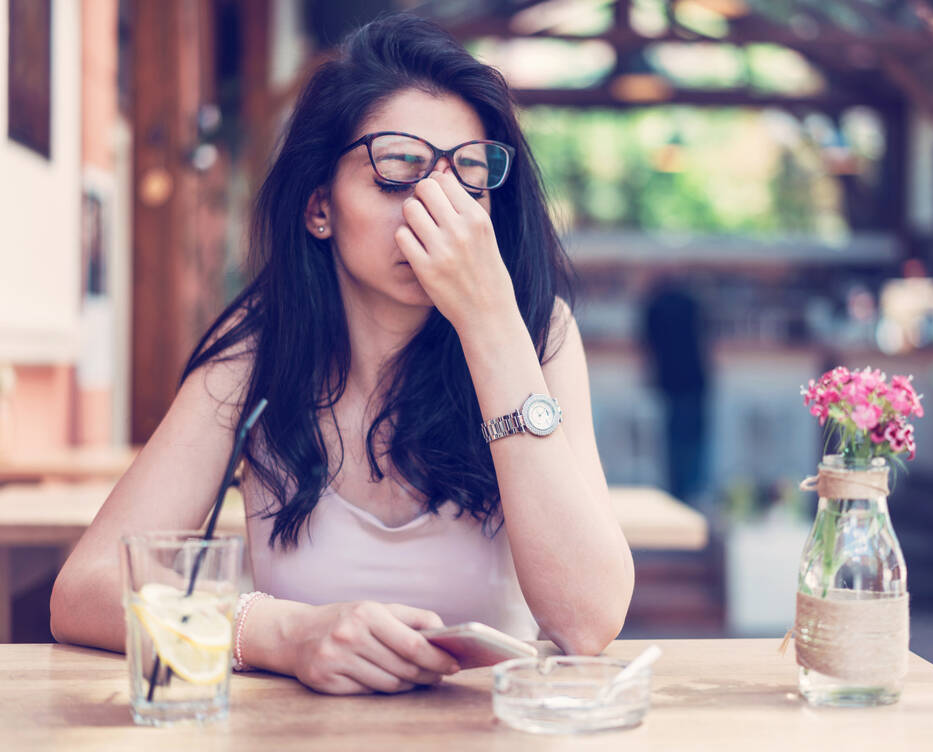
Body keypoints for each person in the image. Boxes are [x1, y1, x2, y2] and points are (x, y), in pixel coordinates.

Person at [50, 14, 634, 695]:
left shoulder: (536, 334)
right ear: (319, 206)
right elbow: (84, 592)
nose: (436, 208)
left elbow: (588, 624)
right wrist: (283, 634)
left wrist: (490, 322)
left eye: (469, 178)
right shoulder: (261, 349)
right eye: (399, 170)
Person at [642, 275, 711, 507]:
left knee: (675, 444)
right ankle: (695, 495)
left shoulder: (653, 307)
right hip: (695, 379)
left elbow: (646, 346)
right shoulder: (692, 303)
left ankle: (677, 496)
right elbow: (707, 337)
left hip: (669, 382)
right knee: (696, 442)